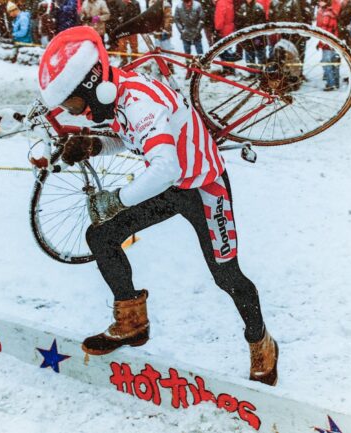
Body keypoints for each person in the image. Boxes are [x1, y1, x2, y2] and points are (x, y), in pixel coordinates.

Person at [35, 26, 279, 386]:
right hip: (170, 189)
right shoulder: (117, 94)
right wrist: (94, 146)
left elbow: (166, 167)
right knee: (101, 236)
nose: (80, 114)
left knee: (226, 276)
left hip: (203, 187)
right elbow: (129, 138)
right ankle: (132, 322)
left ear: (91, 87)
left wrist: (116, 200)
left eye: (75, 104)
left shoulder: (139, 103)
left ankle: (261, 340)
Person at [234, 0, 267, 74]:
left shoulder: (258, 7)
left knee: (261, 57)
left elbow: (262, 24)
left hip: (259, 37)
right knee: (249, 57)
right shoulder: (242, 8)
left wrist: (259, 37)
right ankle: (251, 73)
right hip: (247, 38)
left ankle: (263, 73)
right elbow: (239, 23)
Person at [316, 0, 341, 91]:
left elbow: (325, 31)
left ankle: (331, 84)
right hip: (334, 42)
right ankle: (336, 82)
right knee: (334, 62)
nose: (318, 3)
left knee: (326, 63)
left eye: (320, 1)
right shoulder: (332, 12)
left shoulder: (327, 14)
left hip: (327, 43)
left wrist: (320, 43)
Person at [115, 0, 141, 65]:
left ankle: (135, 60)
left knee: (134, 45)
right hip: (122, 29)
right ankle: (124, 60)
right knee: (122, 46)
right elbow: (115, 14)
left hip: (132, 29)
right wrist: (119, 19)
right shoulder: (118, 2)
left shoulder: (135, 3)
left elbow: (138, 15)